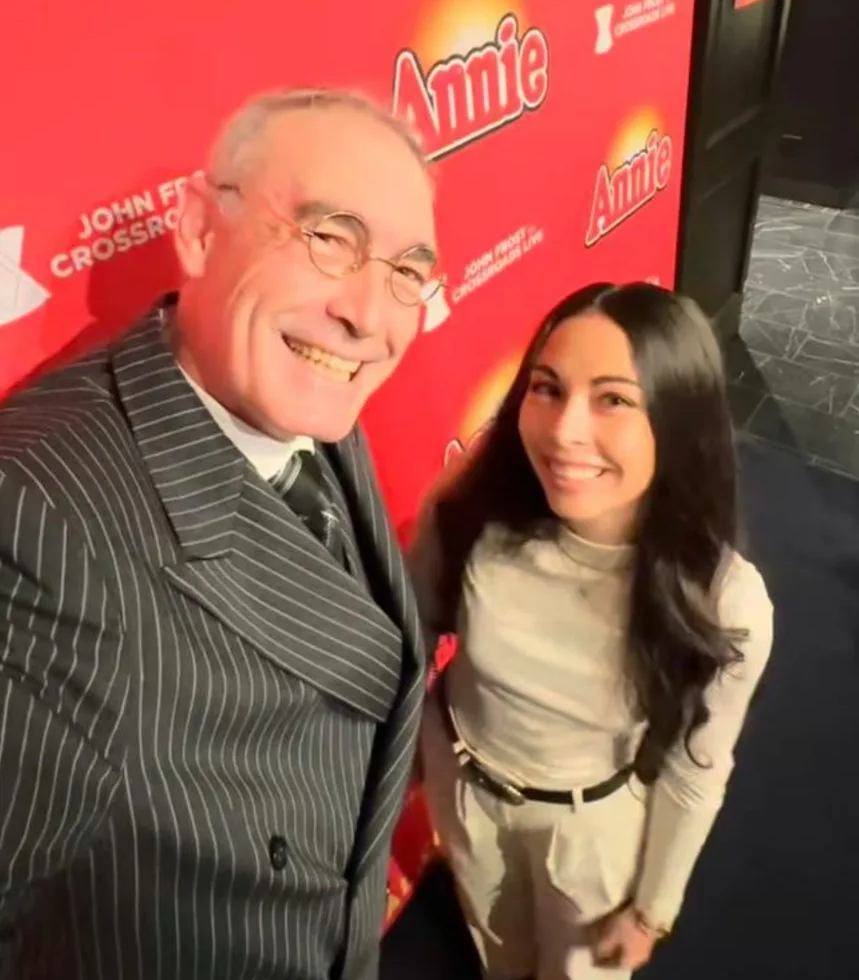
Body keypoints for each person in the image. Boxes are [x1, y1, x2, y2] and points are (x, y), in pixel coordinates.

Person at [0, 88, 441, 980]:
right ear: (200, 229)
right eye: (329, 239)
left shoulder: (304, 386)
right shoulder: (35, 528)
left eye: (406, 271)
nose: (369, 313)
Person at [408, 282, 774, 980]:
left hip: (588, 837)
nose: (563, 431)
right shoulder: (470, 511)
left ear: (675, 420)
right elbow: (412, 644)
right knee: (497, 955)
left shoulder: (725, 603)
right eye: (546, 389)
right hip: (465, 799)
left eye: (612, 399)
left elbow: (695, 771)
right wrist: (412, 766)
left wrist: (649, 911)